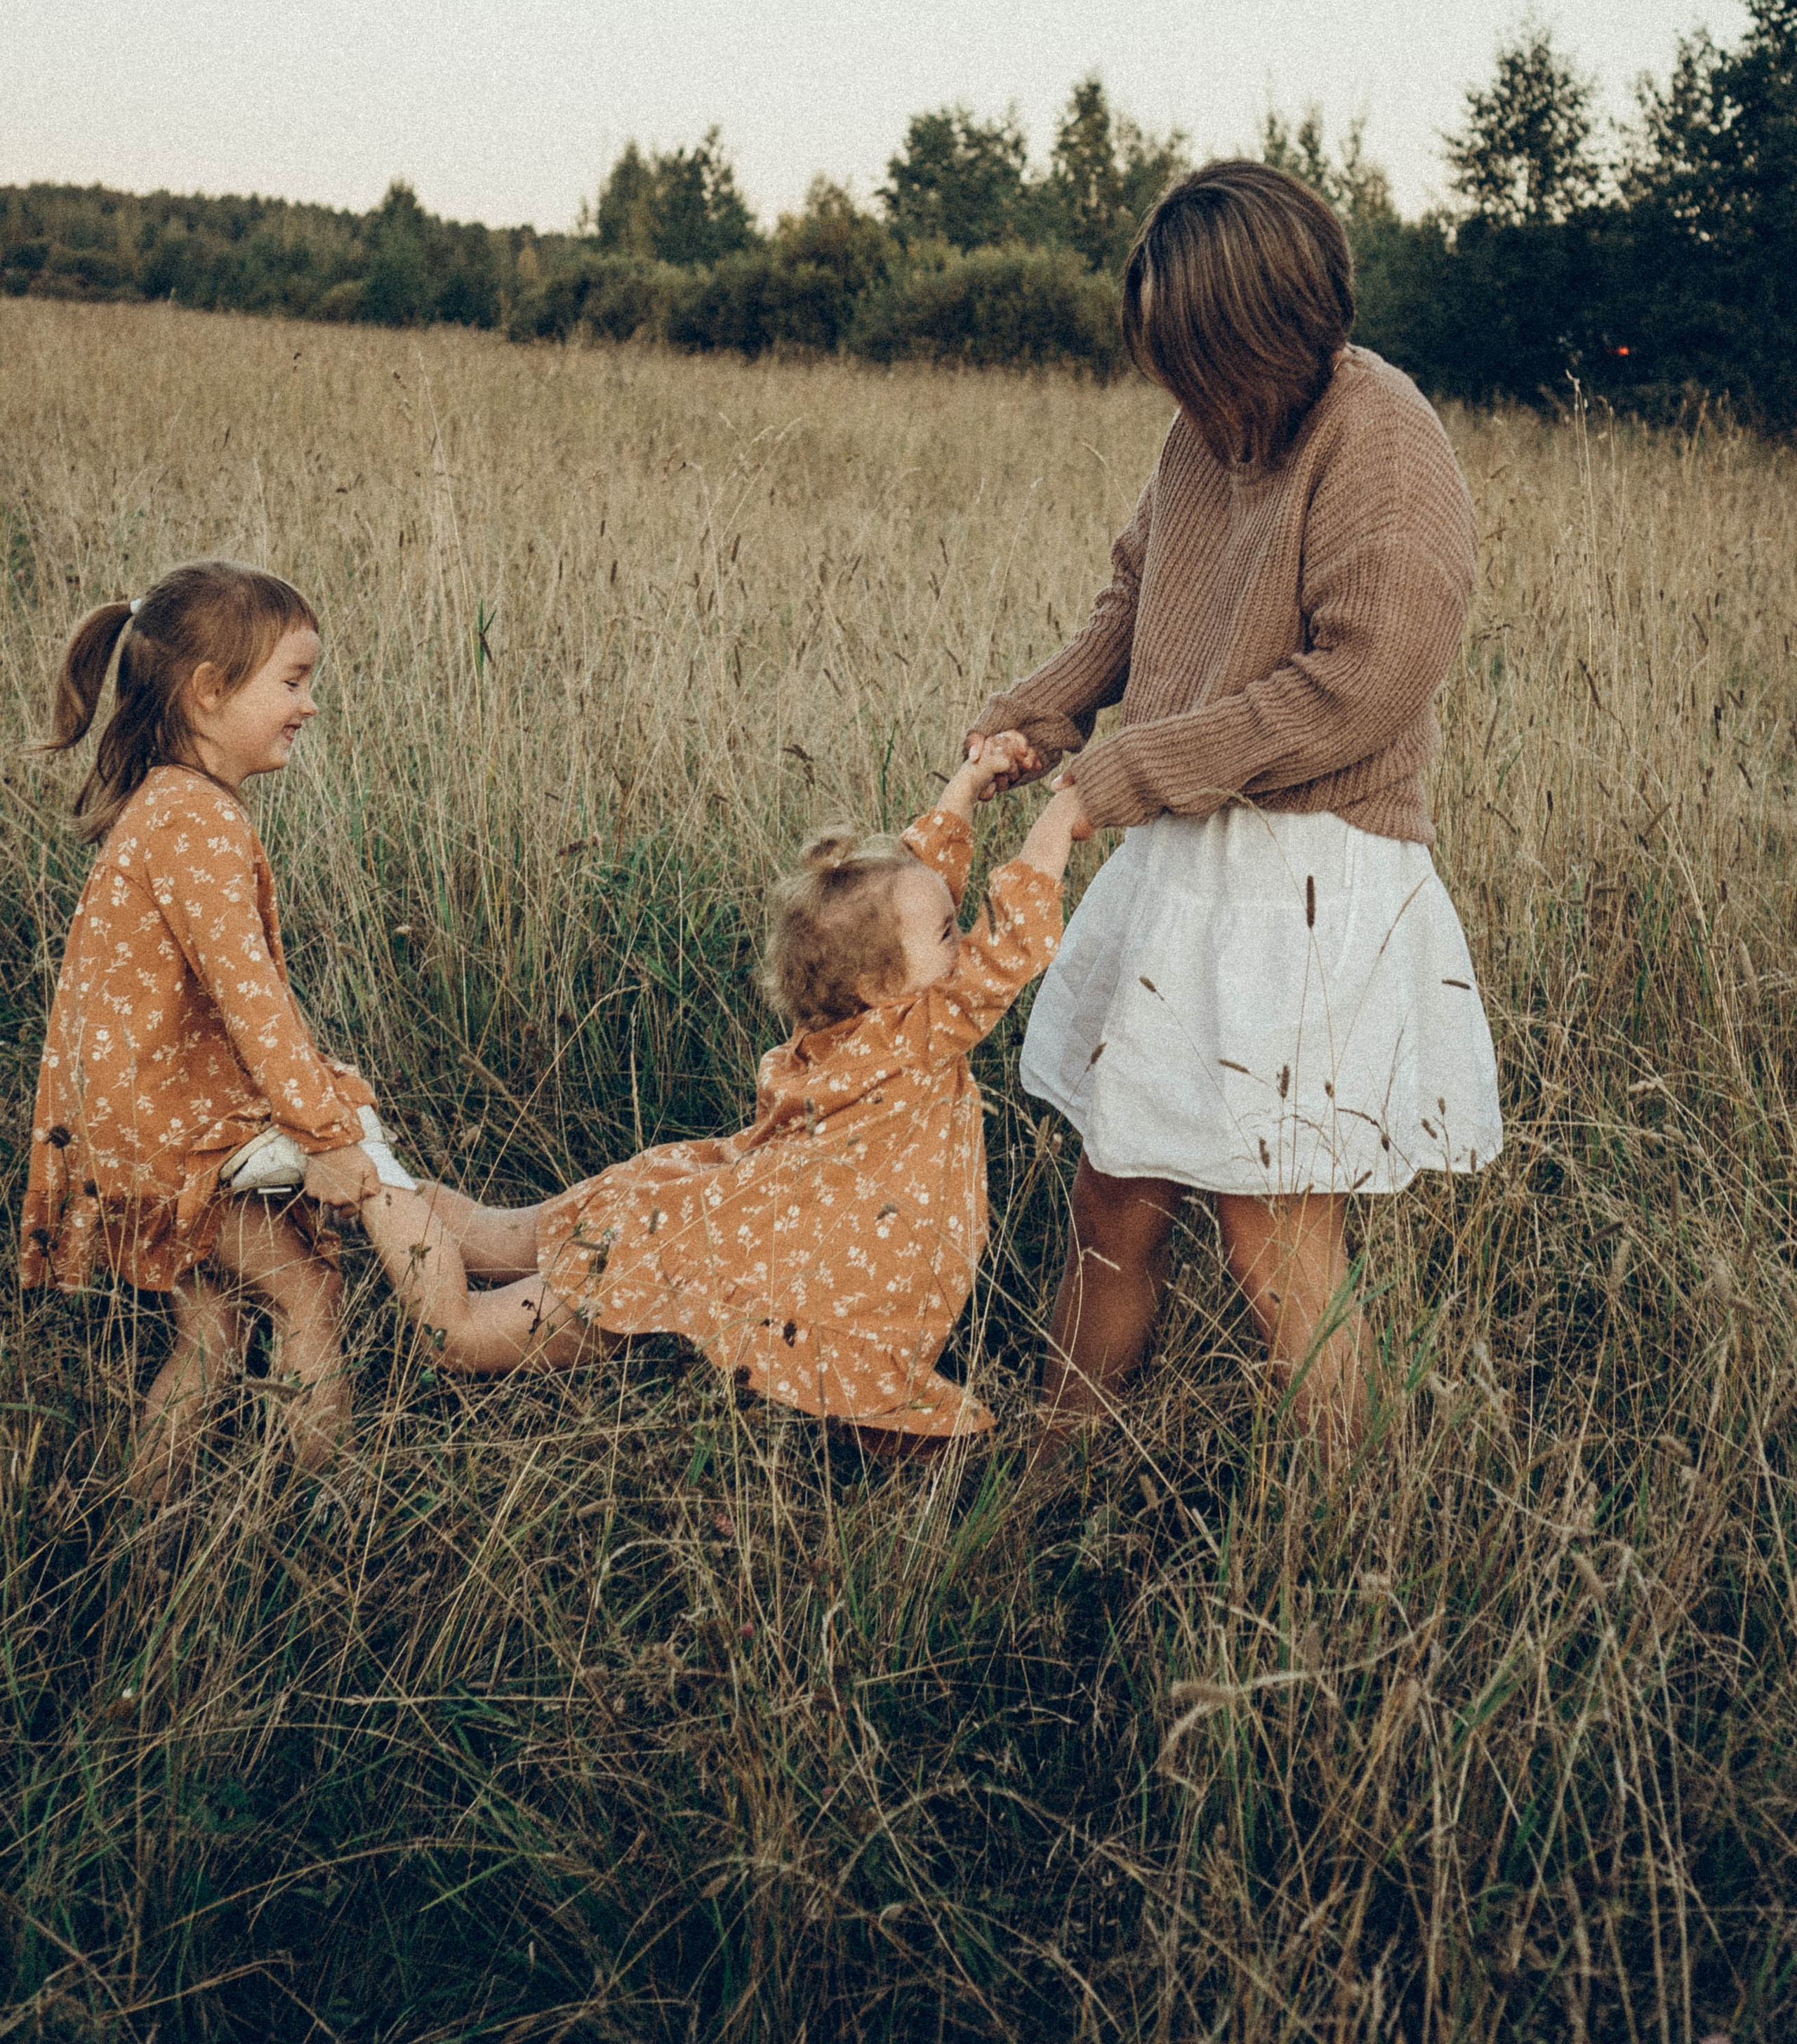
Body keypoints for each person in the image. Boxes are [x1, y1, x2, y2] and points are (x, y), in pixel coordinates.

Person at [964, 161, 1504, 1454]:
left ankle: (1350, 1529)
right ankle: (1056, 1464)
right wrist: (1048, 710)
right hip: (1188, 862)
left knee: (1272, 1233)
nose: (1185, 393)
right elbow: (1139, 600)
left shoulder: (1383, 437)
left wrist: (1126, 773)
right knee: (1116, 1195)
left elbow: (1362, 685)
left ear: (1272, 327)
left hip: (1313, 883)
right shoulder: (1206, 429)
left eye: (1198, 357)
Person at [352, 746, 1088, 1445]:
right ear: (881, 985)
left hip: (725, 1220)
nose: (962, 944)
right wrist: (1057, 823)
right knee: (461, 1336)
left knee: (495, 1234)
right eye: (950, 936)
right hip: (729, 1261)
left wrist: (965, 788)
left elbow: (918, 897)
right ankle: (355, 1183)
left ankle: (359, 1202)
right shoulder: (914, 1036)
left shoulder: (860, 1023)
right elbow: (1005, 947)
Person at [20, 561, 411, 1493]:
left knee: (215, 1327)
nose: (308, 705)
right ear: (208, 692)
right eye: (292, 680)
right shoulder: (195, 822)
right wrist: (324, 1134)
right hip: (167, 1140)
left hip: (126, 1128)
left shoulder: (173, 804)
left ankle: (148, 1527)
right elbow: (252, 1002)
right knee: (311, 1292)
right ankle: (324, 1516)